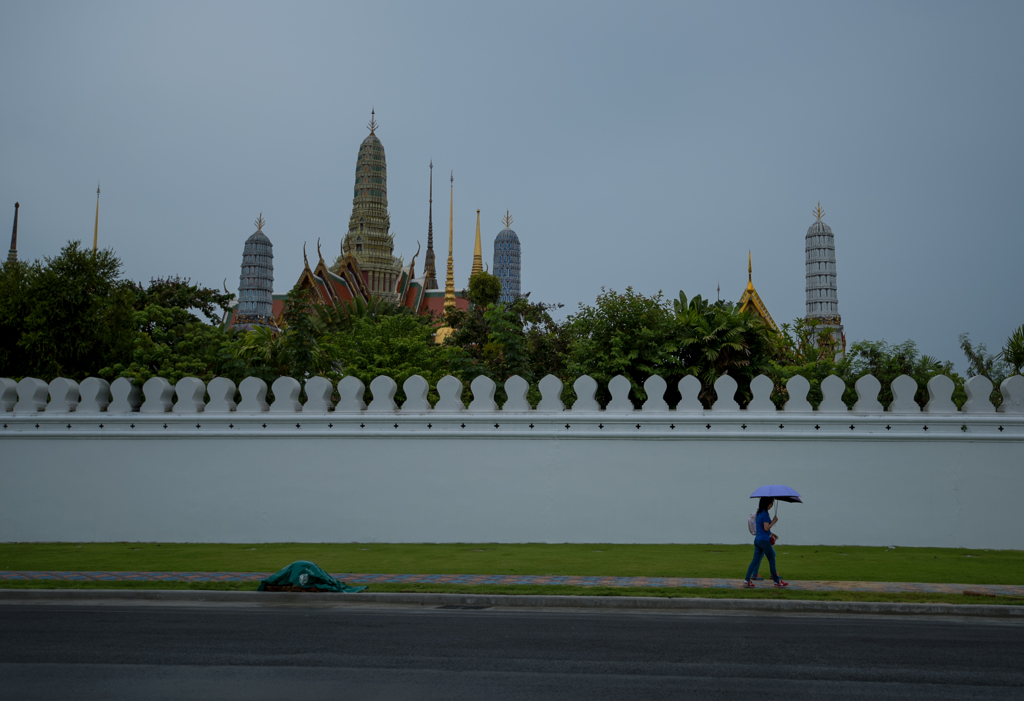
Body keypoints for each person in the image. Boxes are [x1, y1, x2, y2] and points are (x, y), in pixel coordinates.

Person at [744, 497, 788, 587]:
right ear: (767, 504)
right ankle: (777, 581)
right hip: (764, 541)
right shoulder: (765, 514)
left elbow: (761, 528)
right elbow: (766, 527)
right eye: (771, 503)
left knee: (754, 561)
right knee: (771, 559)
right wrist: (774, 521)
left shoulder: (759, 513)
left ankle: (747, 580)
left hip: (757, 540)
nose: (772, 505)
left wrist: (771, 533)